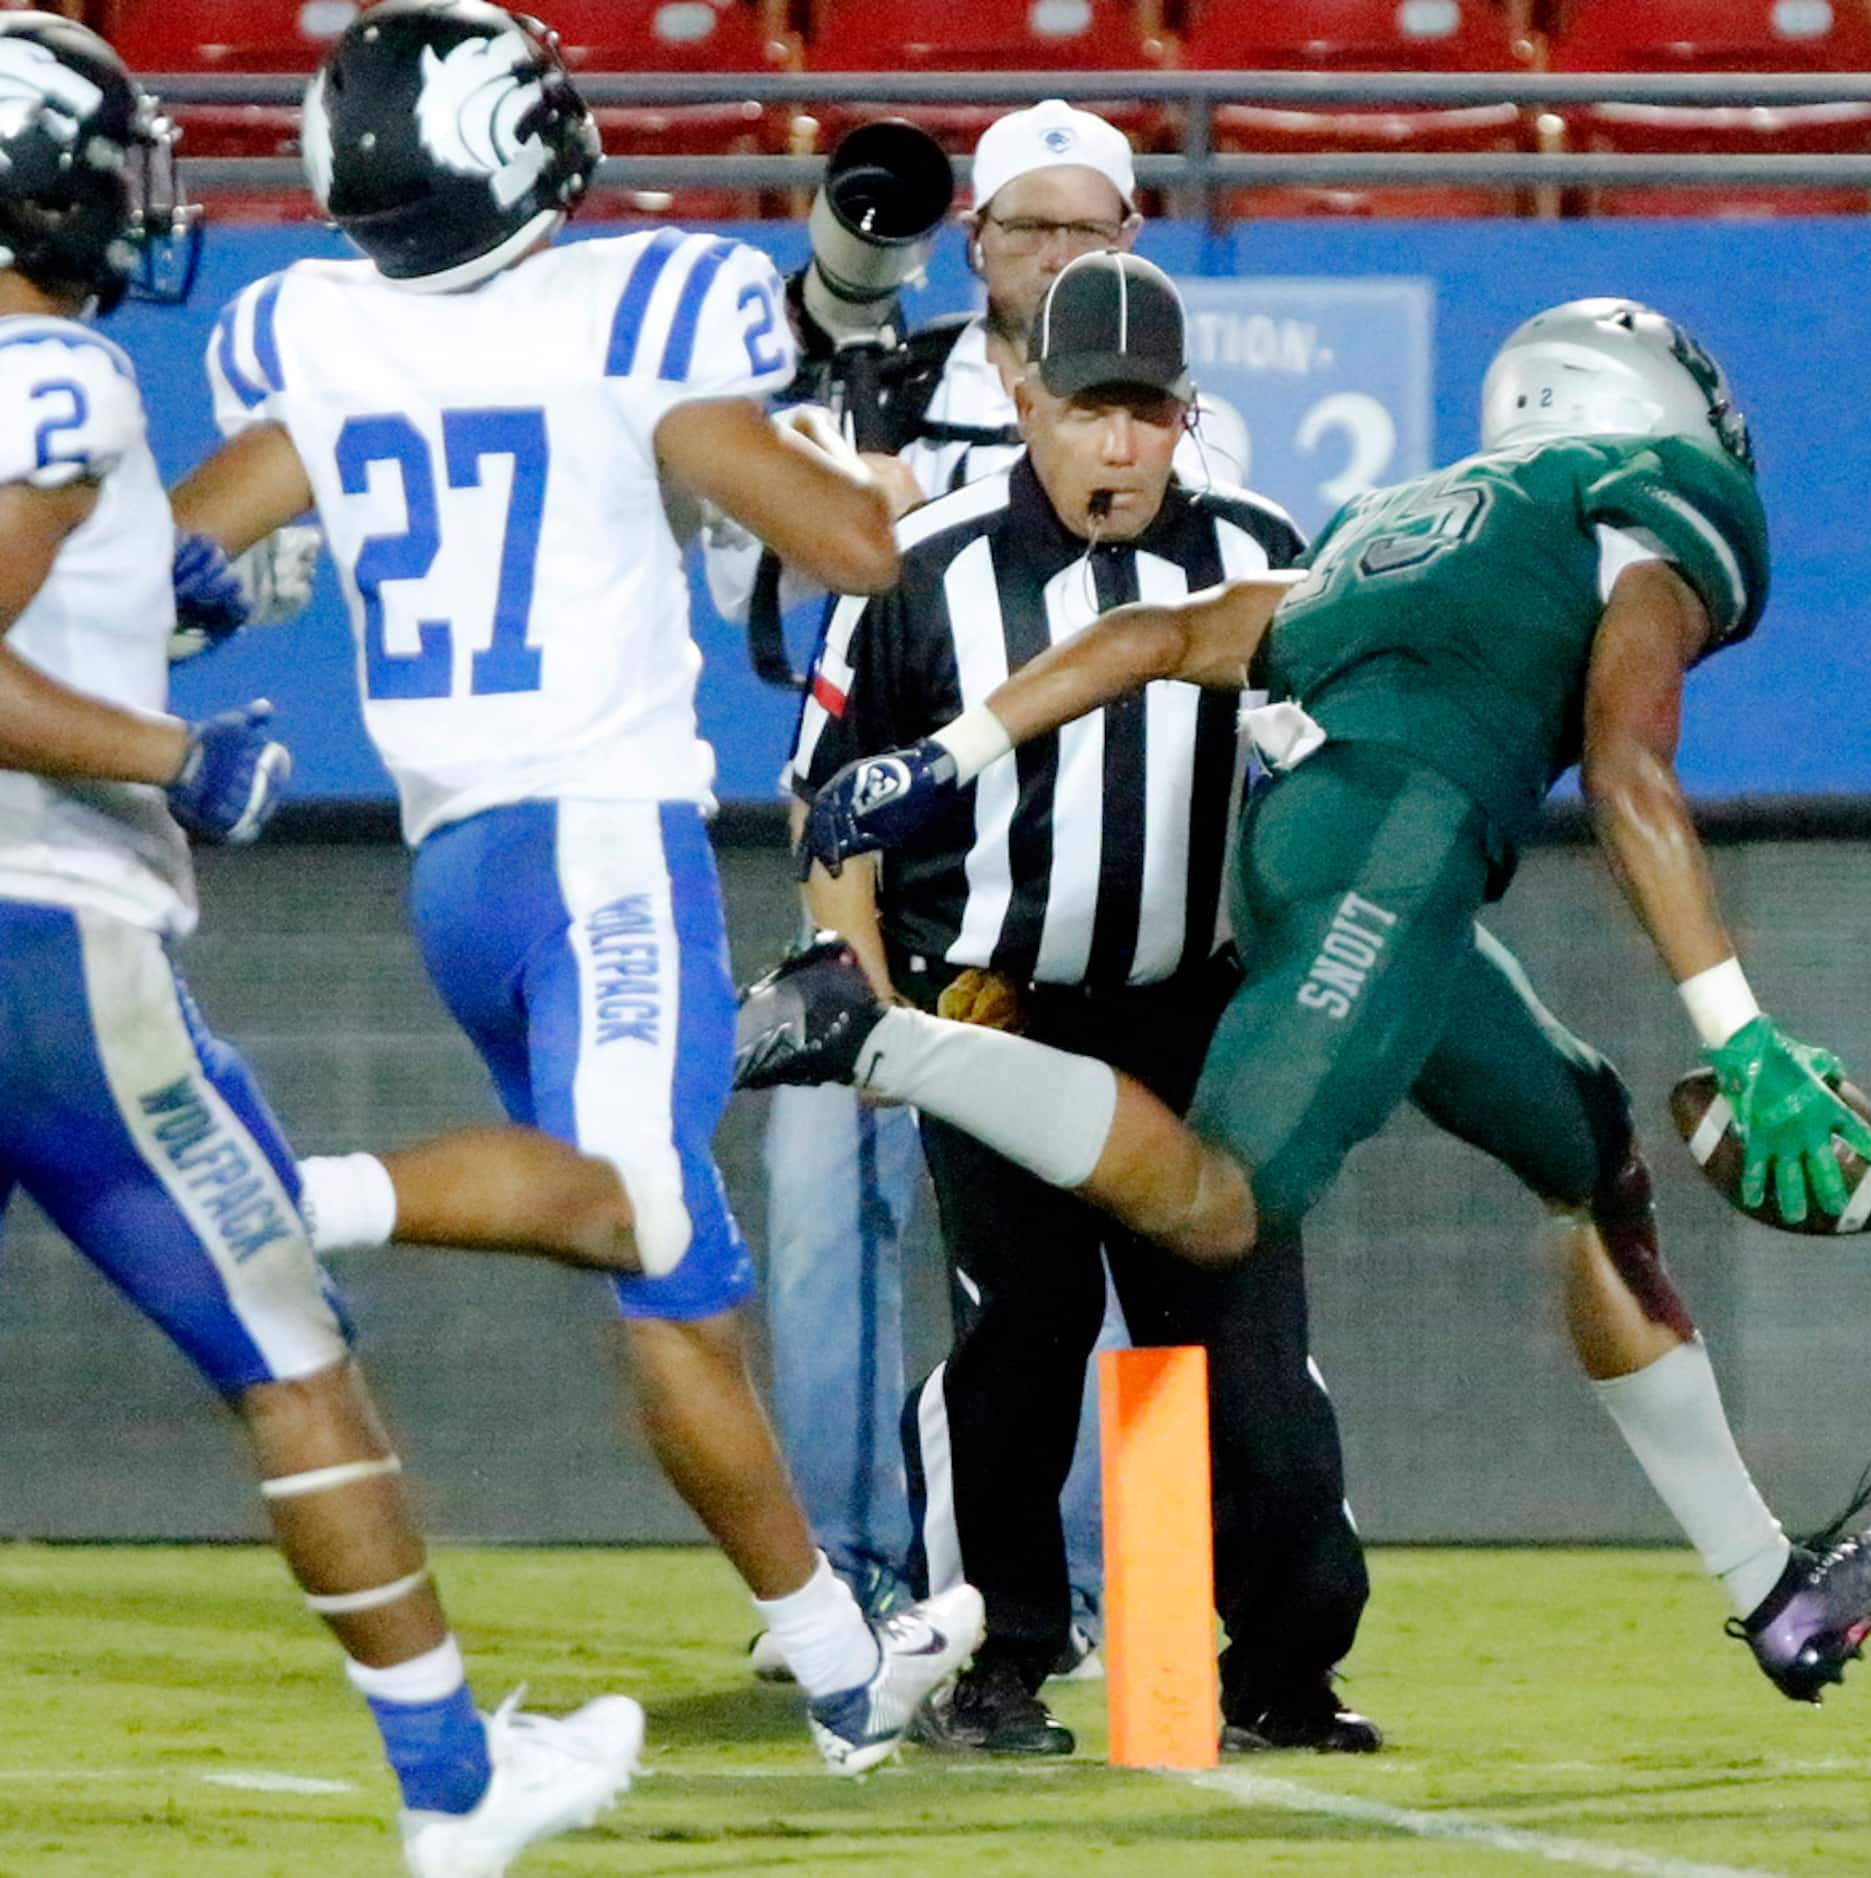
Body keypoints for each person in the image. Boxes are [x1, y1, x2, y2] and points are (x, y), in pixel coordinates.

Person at [746, 297, 1871, 1704]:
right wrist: (1734, 1029)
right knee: (1213, 1205)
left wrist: (946, 754)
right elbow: (1629, 773)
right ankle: (872, 1030)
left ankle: (1771, 1593)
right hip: (1381, 844)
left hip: (1335, 859)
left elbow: (1156, 635)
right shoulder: (1657, 502)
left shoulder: (1408, 515)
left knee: (1591, 1148)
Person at [163, 0, 979, 1775]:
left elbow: (183, 546)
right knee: (626, 1195)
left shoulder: (309, 330)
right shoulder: (630, 309)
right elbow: (845, 545)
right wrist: (872, 461)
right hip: (601, 840)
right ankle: (280, 1197)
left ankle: (841, 1667)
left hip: (455, 864)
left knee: (671, 1260)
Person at [0, 15, 642, 1873]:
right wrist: (171, 746)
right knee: (289, 1347)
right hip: (50, 942)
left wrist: (151, 604)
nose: (134, 199)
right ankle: (454, 1786)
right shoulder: (56, 376)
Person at [786, 250, 1374, 1756]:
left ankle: (1282, 1663)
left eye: (1148, 412)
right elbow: (826, 811)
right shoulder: (919, 569)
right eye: (1090, 408)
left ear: (1187, 414)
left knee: (1246, 1359)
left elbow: (1333, 786)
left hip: (1192, 1018)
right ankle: (995, 1661)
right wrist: (878, 1022)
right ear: (1023, 397)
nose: (1118, 444)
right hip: (993, 1012)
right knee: (1022, 1334)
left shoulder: (1259, 551)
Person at [715, 99, 1180, 1673]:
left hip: (1078, 902)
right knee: (826, 1224)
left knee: (1102, 1255)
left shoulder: (1178, 408)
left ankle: (1107, 1586)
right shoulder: (863, 380)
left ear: (1132, 239)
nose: (1055, 257)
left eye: (1085, 228)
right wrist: (839, 506)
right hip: (878, 872)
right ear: (969, 244)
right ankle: (837, 1586)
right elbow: (748, 588)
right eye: (1024, 228)